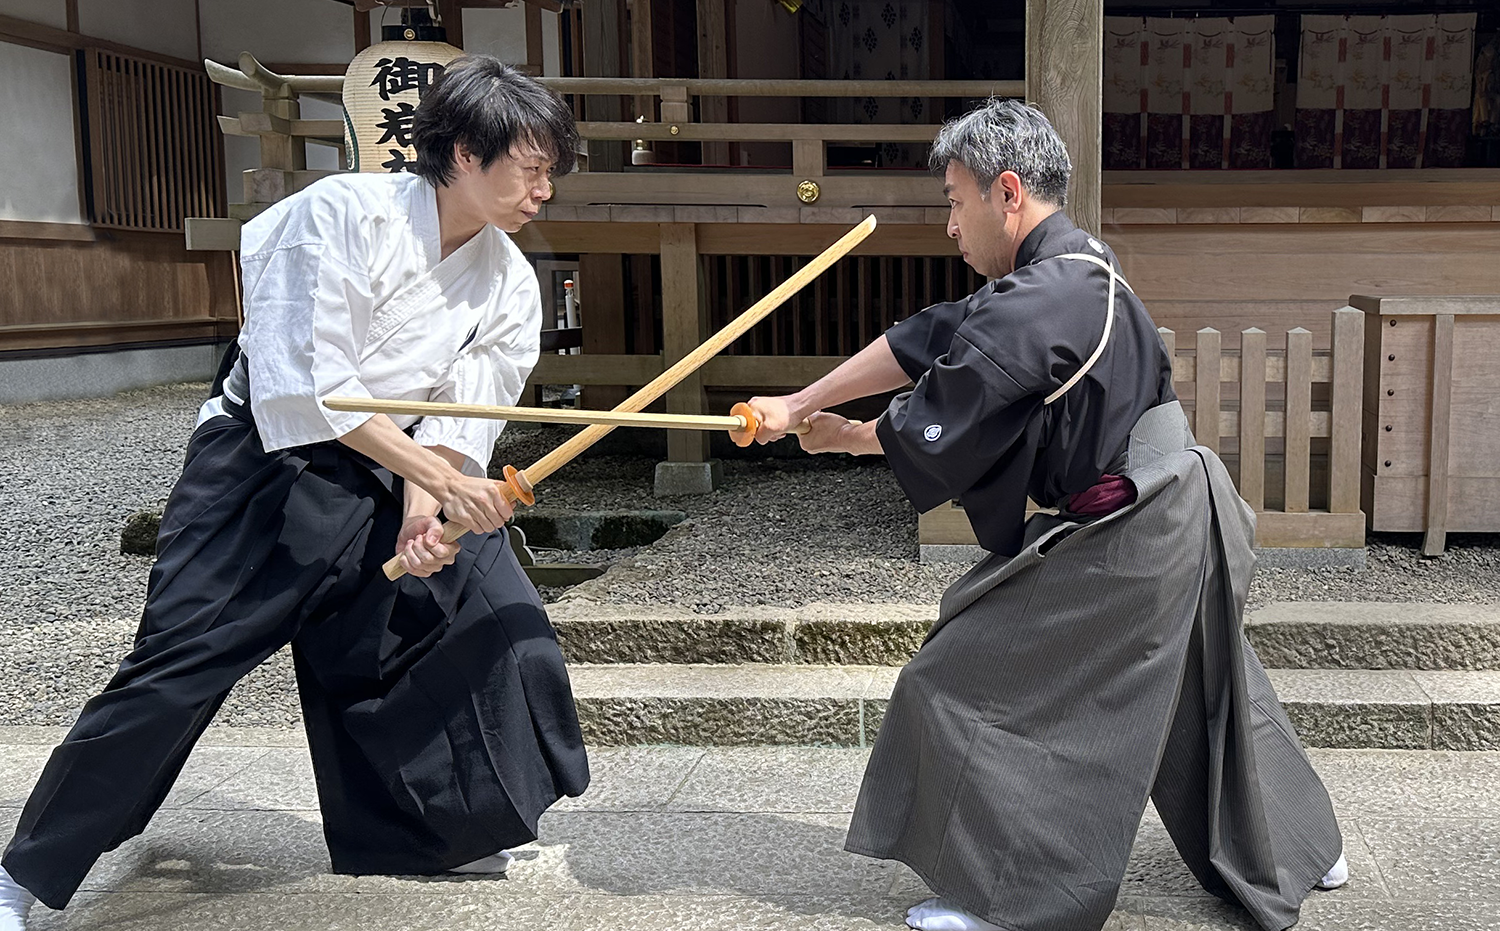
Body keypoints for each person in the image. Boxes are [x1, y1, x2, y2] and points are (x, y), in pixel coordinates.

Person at [0, 56, 589, 930]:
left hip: (393, 463)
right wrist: (431, 479)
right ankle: (27, 871)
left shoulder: (506, 279)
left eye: (550, 173)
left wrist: (427, 516)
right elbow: (302, 389)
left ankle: (422, 831)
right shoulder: (337, 215)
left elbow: (460, 419)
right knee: (181, 666)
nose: (544, 190)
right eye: (533, 167)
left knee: (489, 621)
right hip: (266, 464)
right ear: (465, 151)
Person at [744, 99, 1346, 931]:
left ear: (1009, 192)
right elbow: (932, 337)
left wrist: (850, 436)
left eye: (956, 201)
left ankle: (1013, 896)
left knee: (967, 677)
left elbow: (946, 404)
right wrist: (803, 401)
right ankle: (1301, 847)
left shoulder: (1048, 289)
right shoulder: (1075, 268)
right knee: (1207, 686)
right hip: (1179, 505)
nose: (950, 224)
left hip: (1137, 524)